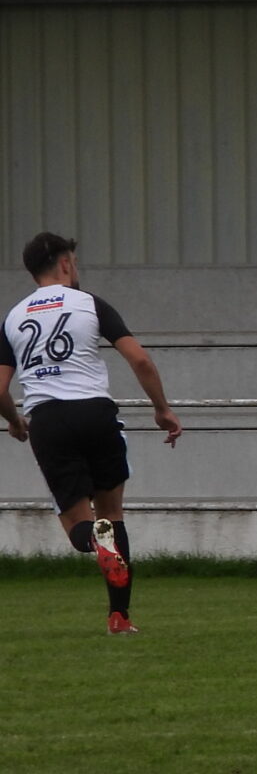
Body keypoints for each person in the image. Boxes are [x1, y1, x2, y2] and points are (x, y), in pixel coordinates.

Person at [1, 233, 182, 634]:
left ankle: (93, 542)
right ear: (65, 263)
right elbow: (140, 360)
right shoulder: (89, 304)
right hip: (96, 414)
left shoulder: (13, 318)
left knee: (79, 527)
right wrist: (162, 409)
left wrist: (14, 421)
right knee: (112, 516)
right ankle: (120, 616)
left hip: (49, 420)